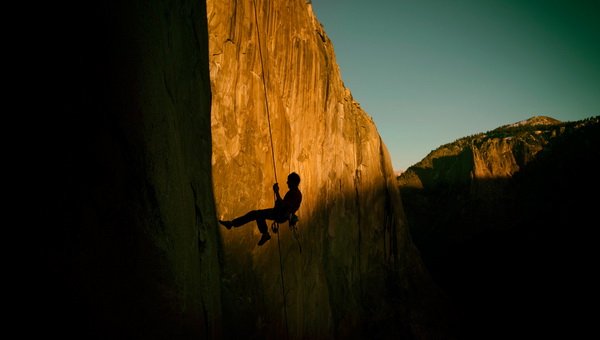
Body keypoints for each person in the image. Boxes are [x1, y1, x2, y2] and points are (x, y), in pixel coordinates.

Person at [219, 172, 302, 246]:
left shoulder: (294, 194)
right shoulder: (296, 193)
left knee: (256, 214)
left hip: (280, 215)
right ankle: (233, 224)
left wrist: (276, 191)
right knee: (257, 214)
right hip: (281, 214)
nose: (287, 182)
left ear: (293, 182)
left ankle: (232, 224)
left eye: (289, 181)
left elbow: (284, 205)